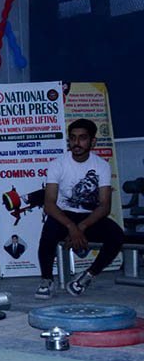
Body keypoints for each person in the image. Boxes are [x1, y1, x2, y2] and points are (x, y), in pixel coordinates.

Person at [35, 118, 123, 299]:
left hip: (89, 217)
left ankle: (87, 276)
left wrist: (80, 228)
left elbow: (104, 206)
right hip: (63, 216)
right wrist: (71, 227)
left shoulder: (102, 166)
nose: (77, 143)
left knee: (116, 235)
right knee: (48, 232)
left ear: (93, 141)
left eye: (82, 138)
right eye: (73, 138)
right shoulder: (57, 164)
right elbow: (50, 203)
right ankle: (46, 281)